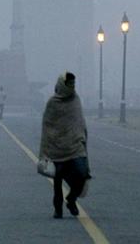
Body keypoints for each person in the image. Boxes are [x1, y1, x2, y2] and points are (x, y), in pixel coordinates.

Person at [39, 71, 90, 219]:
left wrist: (81, 137)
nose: (72, 86)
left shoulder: (75, 100)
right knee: (58, 180)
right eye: (69, 84)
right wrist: (44, 151)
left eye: (73, 84)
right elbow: (47, 127)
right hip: (56, 147)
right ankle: (58, 209)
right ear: (62, 84)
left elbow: (79, 121)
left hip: (75, 146)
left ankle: (72, 198)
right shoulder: (52, 103)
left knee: (82, 174)